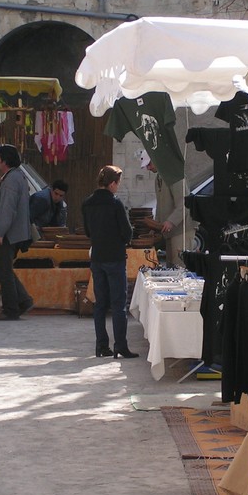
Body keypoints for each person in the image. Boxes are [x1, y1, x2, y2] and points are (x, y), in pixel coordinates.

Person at [81, 165, 136, 359]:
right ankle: (120, 345)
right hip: (115, 257)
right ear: (112, 183)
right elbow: (127, 232)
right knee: (119, 304)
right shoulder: (115, 203)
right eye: (118, 183)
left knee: (100, 304)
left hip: (97, 257)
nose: (118, 187)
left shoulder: (87, 203)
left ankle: (101, 346)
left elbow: (87, 231)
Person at [0, 145, 34, 321]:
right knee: (4, 269)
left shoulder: (11, 180)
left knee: (3, 271)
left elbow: (8, 209)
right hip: (13, 232)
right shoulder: (15, 177)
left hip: (9, 233)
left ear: (5, 160)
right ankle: (23, 301)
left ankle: (11, 309)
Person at [140, 150, 186, 266]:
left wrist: (171, 221)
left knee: (179, 265)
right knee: (171, 265)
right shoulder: (159, 178)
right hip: (170, 231)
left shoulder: (174, 174)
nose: (148, 168)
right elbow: (160, 206)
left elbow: (185, 202)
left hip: (182, 229)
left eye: (149, 164)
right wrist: (155, 226)